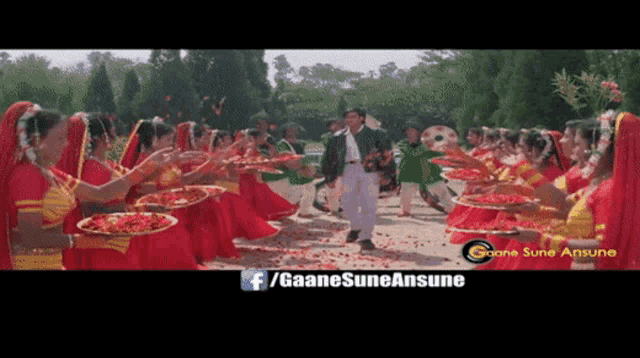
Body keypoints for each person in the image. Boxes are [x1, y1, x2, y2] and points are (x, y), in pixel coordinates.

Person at [0, 103, 171, 270]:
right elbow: (31, 238)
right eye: (60, 138)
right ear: (38, 139)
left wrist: (145, 167)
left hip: (53, 261)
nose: (66, 144)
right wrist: (81, 241)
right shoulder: (26, 175)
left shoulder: (51, 173)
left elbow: (100, 193)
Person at [321, 107, 393, 250]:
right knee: (347, 203)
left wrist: (387, 174)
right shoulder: (337, 137)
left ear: (361, 118)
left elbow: (387, 154)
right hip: (348, 169)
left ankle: (366, 237)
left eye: (353, 116)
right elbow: (329, 158)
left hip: (370, 170)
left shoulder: (376, 134)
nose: (349, 119)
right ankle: (355, 227)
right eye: (347, 117)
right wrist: (329, 176)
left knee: (369, 204)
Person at [397, 117, 455, 216]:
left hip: (429, 173)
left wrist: (443, 148)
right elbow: (412, 153)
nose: (410, 134)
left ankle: (452, 211)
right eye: (408, 132)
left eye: (412, 131)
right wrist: (426, 146)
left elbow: (439, 155)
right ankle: (405, 211)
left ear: (419, 133)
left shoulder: (428, 144)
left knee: (443, 193)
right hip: (409, 174)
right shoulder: (403, 144)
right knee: (406, 194)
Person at [268, 122, 317, 218]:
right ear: (285, 131)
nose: (294, 131)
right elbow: (286, 160)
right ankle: (285, 214)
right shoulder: (282, 144)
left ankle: (304, 212)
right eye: (291, 129)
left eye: (295, 129)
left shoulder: (298, 143)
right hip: (289, 172)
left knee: (310, 189)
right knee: (292, 195)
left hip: (301, 170)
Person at [320, 117, 346, 216]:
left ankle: (335, 209)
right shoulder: (331, 137)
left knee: (334, 190)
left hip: (336, 166)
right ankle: (335, 209)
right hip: (335, 165)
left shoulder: (338, 137)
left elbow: (335, 155)